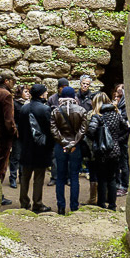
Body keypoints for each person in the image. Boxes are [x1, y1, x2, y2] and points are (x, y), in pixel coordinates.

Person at [86, 92, 130, 211]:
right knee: (112, 178)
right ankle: (112, 205)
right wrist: (117, 140)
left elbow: (90, 132)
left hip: (101, 151)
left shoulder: (97, 116)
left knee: (102, 178)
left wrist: (97, 140)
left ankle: (101, 204)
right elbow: (127, 129)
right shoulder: (116, 115)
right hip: (115, 150)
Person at [50, 86, 88, 215]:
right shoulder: (81, 110)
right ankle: (74, 206)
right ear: (73, 97)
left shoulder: (56, 111)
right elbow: (83, 130)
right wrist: (73, 144)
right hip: (75, 148)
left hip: (61, 147)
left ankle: (61, 206)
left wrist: (65, 143)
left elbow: (54, 131)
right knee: (74, 177)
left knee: (60, 177)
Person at [15, 83, 53, 213]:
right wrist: (49, 146)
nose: (47, 94)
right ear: (41, 94)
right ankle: (37, 203)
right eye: (46, 92)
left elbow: (20, 128)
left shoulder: (24, 108)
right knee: (38, 177)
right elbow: (49, 130)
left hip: (26, 147)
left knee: (25, 176)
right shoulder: (45, 109)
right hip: (40, 148)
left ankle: (24, 202)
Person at [0, 70, 18, 206]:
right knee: (1, 165)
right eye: (13, 81)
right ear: (7, 81)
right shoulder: (6, 95)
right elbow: (8, 119)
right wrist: (13, 131)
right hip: (2, 134)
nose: (14, 84)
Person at [46, 78, 70, 186]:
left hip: (68, 132)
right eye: (62, 88)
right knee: (54, 155)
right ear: (59, 88)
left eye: (66, 88)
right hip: (56, 131)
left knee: (69, 155)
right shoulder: (52, 99)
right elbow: (48, 114)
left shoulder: (73, 99)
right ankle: (55, 177)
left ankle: (68, 177)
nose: (64, 90)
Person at [8, 85, 30, 189]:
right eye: (25, 92)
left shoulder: (29, 104)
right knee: (16, 156)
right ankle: (13, 177)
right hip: (18, 133)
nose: (28, 94)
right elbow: (12, 118)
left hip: (27, 134)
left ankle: (22, 177)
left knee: (24, 156)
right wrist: (16, 129)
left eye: (28, 92)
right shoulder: (15, 103)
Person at [112, 83, 130, 197]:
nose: (117, 93)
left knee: (123, 163)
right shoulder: (120, 104)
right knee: (119, 163)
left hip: (122, 139)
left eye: (120, 91)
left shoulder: (125, 106)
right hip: (118, 138)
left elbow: (127, 125)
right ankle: (118, 184)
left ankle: (124, 186)